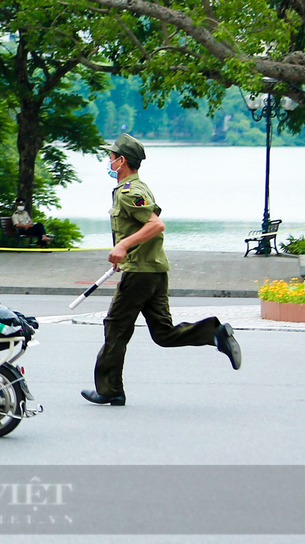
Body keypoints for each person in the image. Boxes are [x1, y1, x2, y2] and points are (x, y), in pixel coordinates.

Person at [80, 133, 241, 406]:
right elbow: (143, 228)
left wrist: (124, 246)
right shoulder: (135, 189)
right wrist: (126, 251)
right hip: (151, 269)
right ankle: (214, 333)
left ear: (122, 161)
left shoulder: (131, 192)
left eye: (111, 156)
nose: (108, 161)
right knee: (163, 333)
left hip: (142, 273)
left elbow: (155, 225)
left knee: (116, 327)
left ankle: (109, 389)